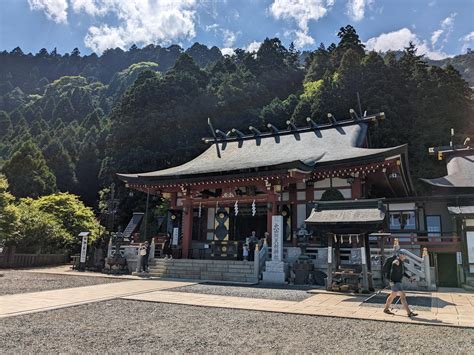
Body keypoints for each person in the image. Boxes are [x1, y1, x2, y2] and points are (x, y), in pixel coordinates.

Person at [383, 250, 418, 317]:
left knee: (392, 296)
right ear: (401, 255)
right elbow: (392, 271)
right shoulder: (397, 261)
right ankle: (409, 312)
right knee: (403, 296)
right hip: (395, 282)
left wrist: (409, 277)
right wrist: (391, 281)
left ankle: (386, 309)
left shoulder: (401, 262)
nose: (405, 256)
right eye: (404, 254)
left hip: (397, 282)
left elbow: (403, 272)